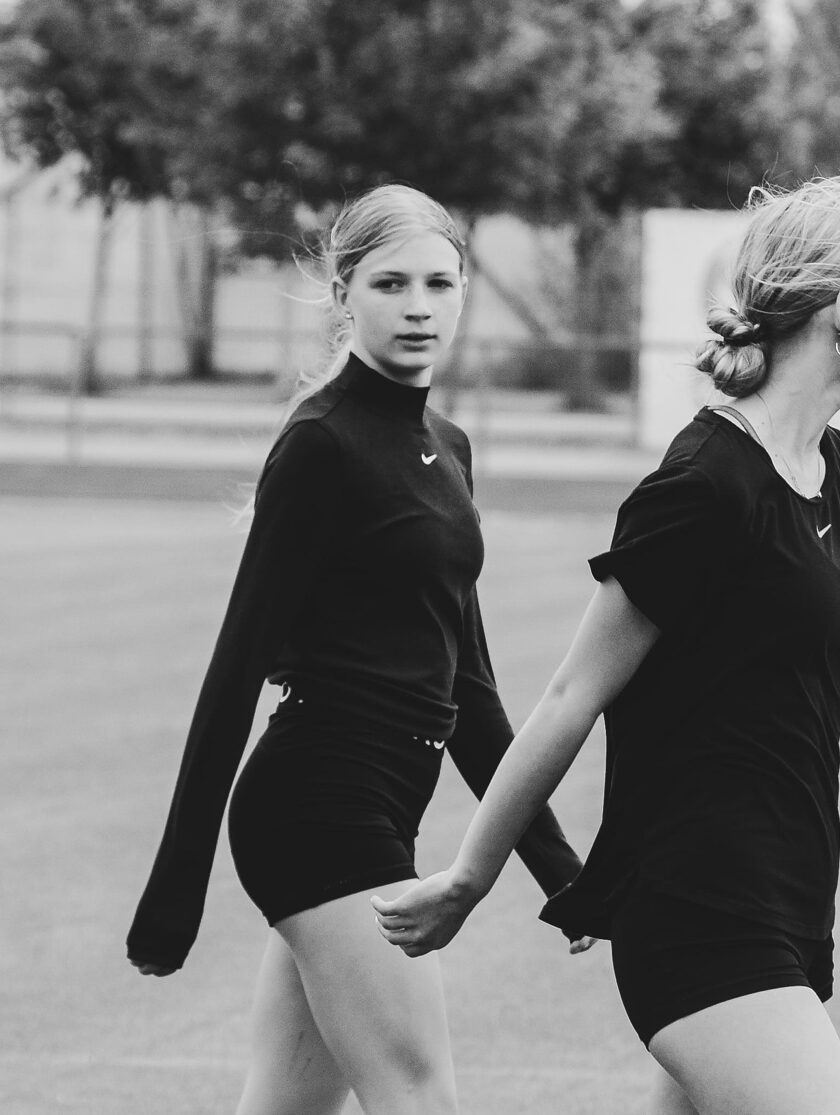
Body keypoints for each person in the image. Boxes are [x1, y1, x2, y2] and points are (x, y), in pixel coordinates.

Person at [371, 174, 840, 1115]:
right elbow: (573, 695)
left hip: (793, 903)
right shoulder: (703, 487)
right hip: (694, 909)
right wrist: (471, 876)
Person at [126, 184, 583, 1115]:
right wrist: (175, 891)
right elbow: (235, 667)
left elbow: (469, 688)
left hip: (376, 806)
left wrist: (559, 867)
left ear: (463, 292)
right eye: (390, 283)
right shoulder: (320, 443)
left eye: (439, 283)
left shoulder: (450, 447)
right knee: (419, 1096)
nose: (418, 306)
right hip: (318, 809)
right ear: (343, 294)